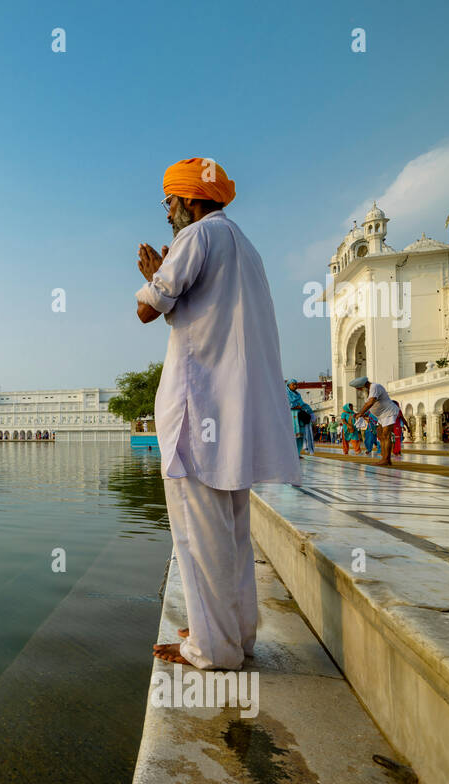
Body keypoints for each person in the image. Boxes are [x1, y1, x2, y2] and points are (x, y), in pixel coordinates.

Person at [135, 157, 300, 670]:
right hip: (232, 414)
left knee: (197, 534)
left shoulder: (196, 238)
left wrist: (155, 273)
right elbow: (196, 316)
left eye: (169, 203)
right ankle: (232, 634)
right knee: (229, 535)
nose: (168, 214)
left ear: (188, 200)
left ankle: (211, 649)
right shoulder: (243, 246)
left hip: (198, 411)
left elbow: (148, 307)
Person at [350, 375, 399, 465]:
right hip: (381, 415)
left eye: (359, 388)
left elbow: (371, 402)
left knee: (386, 435)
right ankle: (385, 458)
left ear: (363, 385)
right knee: (380, 434)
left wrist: (360, 413)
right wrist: (361, 414)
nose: (359, 390)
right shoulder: (369, 391)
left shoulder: (375, 387)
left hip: (388, 412)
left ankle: (386, 459)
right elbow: (368, 404)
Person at [287, 380, 313, 456]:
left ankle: (297, 453)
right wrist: (294, 406)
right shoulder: (285, 394)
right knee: (291, 436)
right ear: (288, 386)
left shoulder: (298, 395)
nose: (295, 386)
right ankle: (290, 454)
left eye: (296, 384)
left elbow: (303, 404)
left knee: (300, 437)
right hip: (290, 416)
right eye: (293, 385)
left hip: (299, 417)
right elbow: (284, 404)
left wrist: (310, 411)